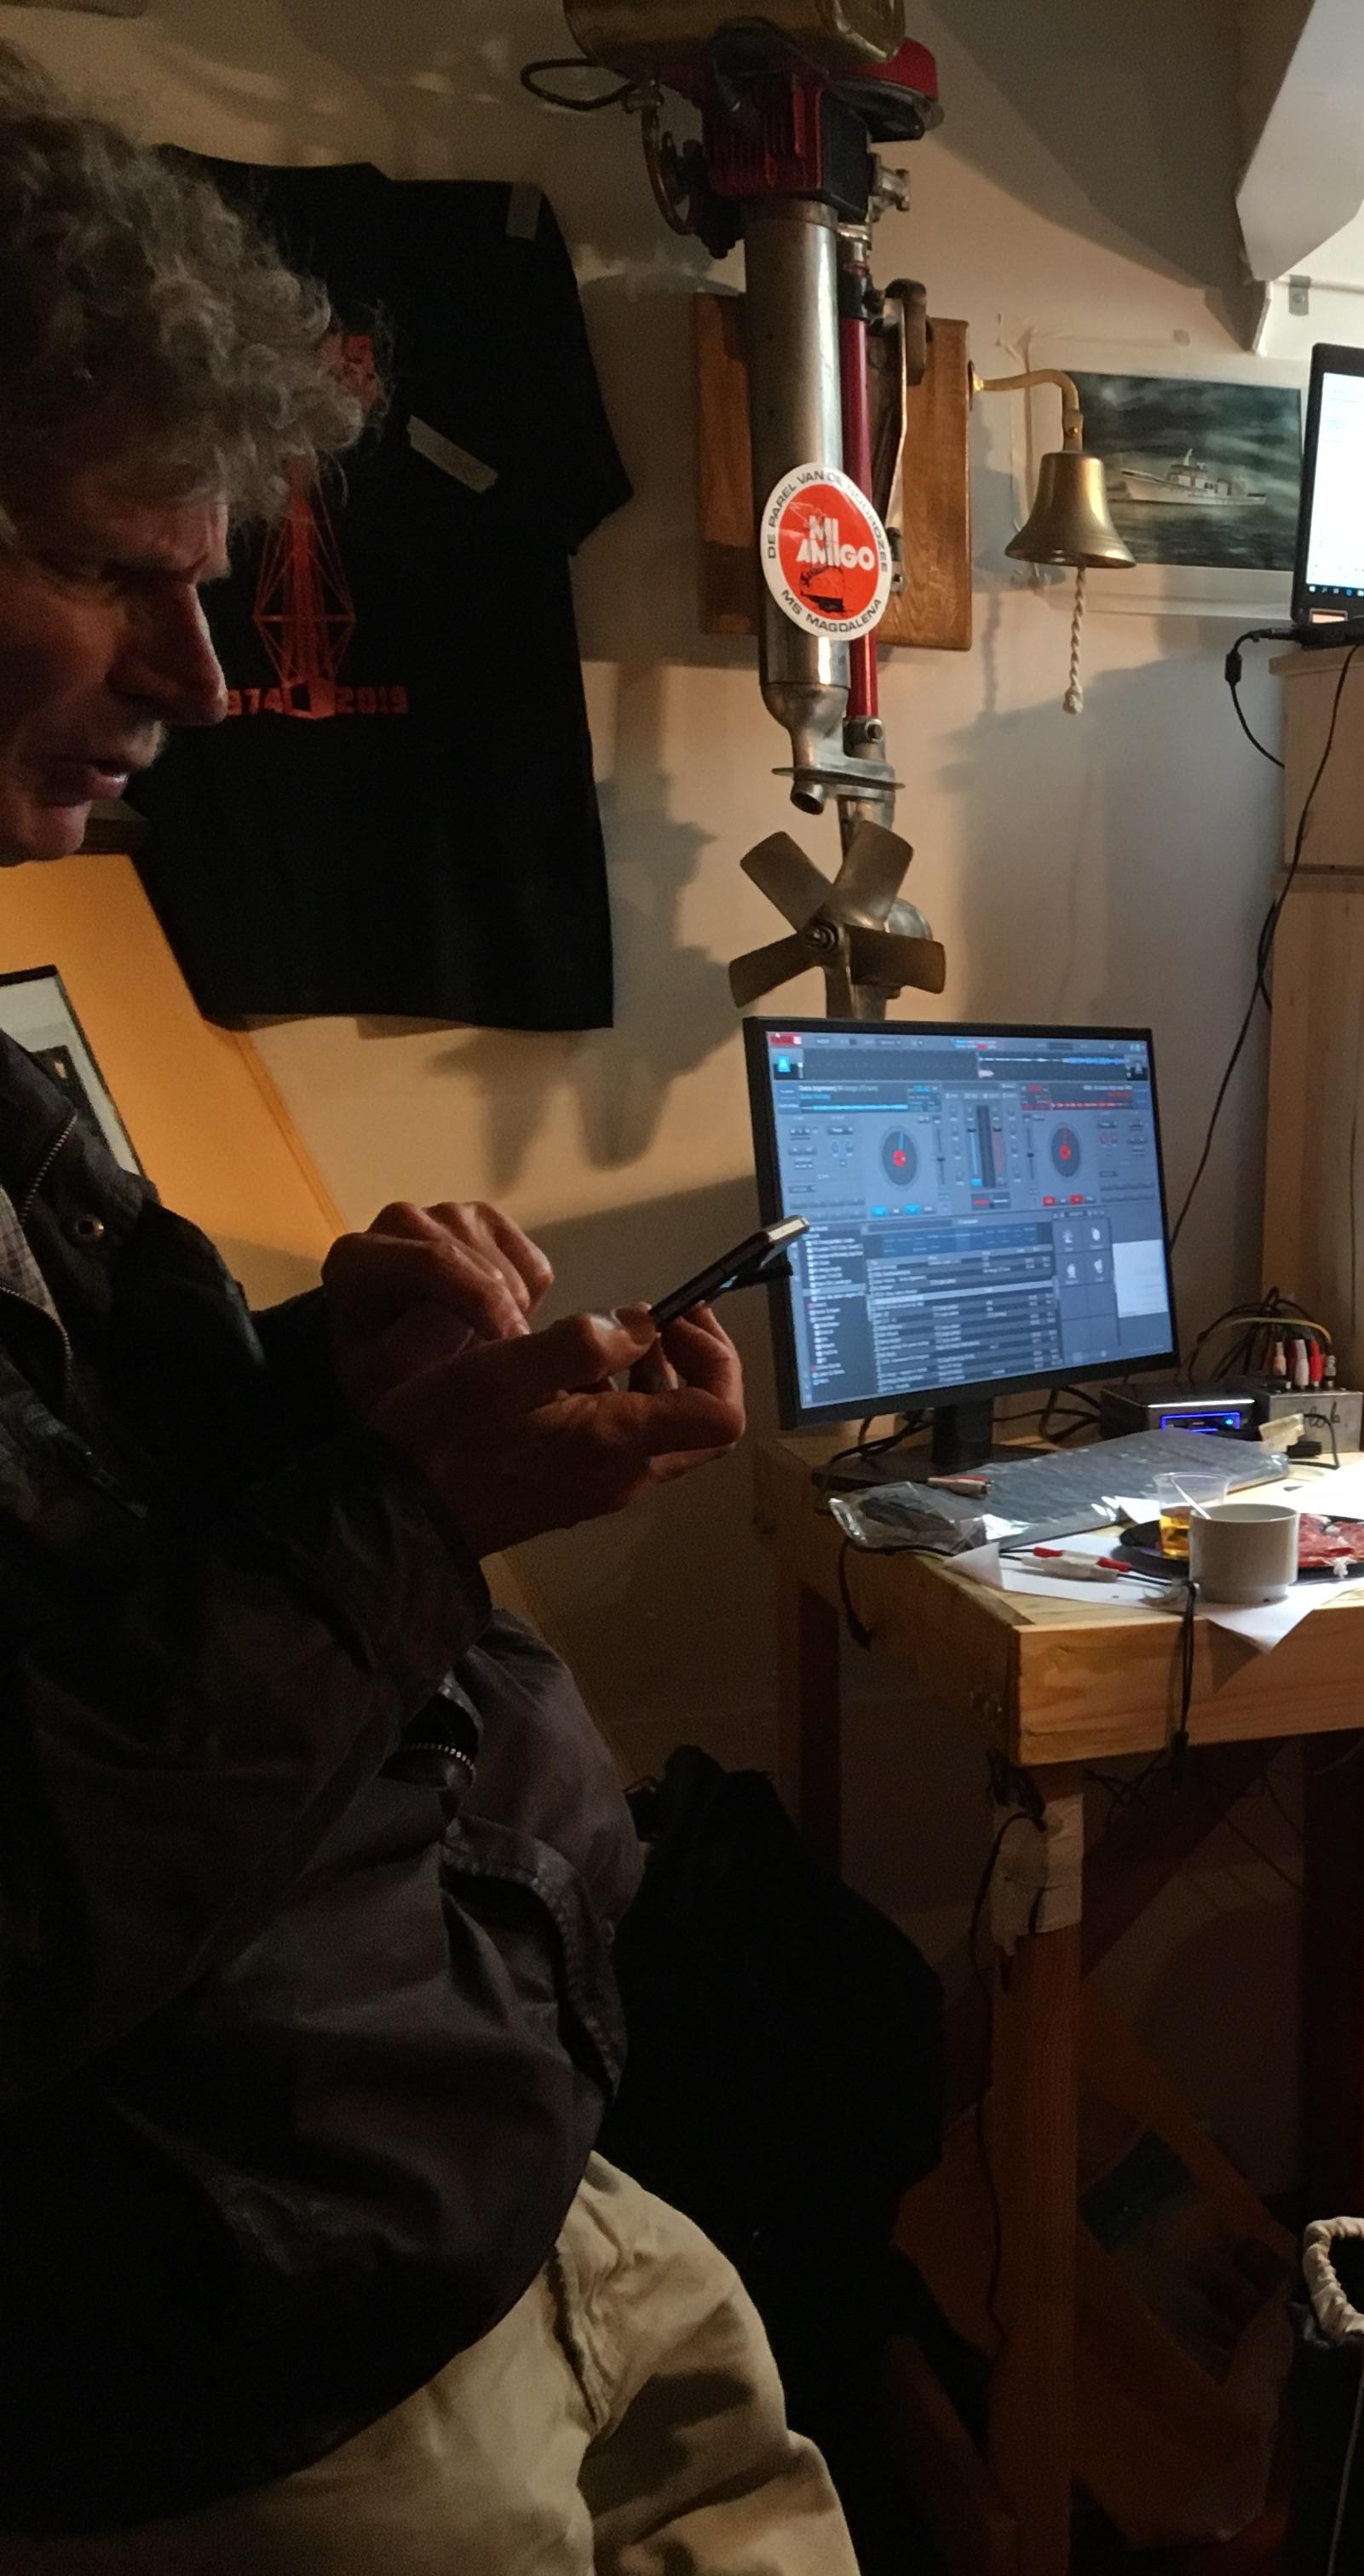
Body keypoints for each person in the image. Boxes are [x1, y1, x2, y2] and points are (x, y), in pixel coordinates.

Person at [0, 51, 857, 2569]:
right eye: (118, 573)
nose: (211, 674)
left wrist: (331, 1387)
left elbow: (88, 1558)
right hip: (266, 2401)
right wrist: (415, 1500)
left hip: (525, 2209)